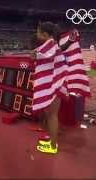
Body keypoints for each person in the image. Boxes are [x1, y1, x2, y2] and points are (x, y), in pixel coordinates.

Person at [32, 22, 68, 154]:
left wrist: (34, 53)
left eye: (38, 32)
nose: (36, 35)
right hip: (54, 85)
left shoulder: (50, 44)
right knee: (49, 114)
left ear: (45, 34)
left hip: (55, 85)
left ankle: (53, 146)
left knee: (52, 116)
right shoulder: (51, 45)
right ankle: (50, 139)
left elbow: (34, 55)